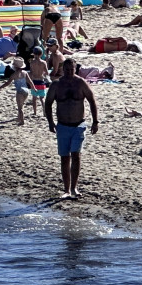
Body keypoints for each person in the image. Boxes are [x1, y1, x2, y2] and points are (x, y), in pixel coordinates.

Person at [44, 58, 100, 199]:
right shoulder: (56, 85)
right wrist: (50, 122)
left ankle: (74, 188)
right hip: (62, 126)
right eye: (67, 69)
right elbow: (48, 104)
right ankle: (66, 190)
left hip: (78, 125)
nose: (69, 72)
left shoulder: (80, 83)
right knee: (64, 158)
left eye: (72, 69)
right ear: (63, 69)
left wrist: (95, 122)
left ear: (75, 69)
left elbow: (92, 101)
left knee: (76, 155)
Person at [0, 57, 30, 125]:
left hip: (20, 91)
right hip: (26, 90)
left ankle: (22, 121)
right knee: (22, 105)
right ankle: (19, 118)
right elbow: (30, 81)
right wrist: (34, 88)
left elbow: (7, 83)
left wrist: (0, 87)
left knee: (20, 107)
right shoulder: (25, 73)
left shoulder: (14, 75)